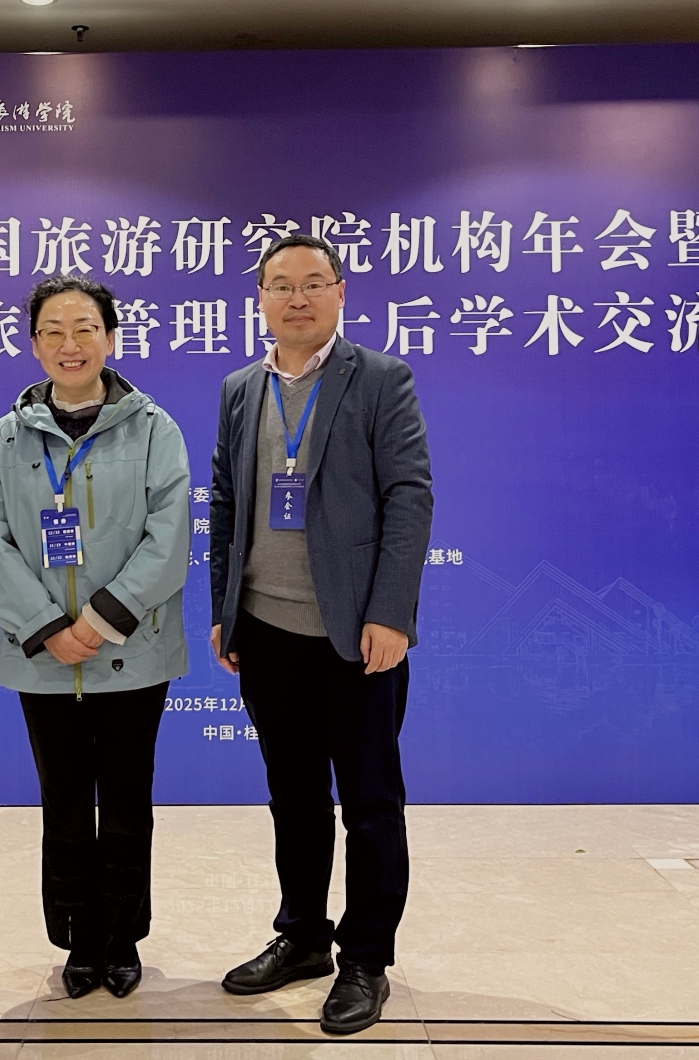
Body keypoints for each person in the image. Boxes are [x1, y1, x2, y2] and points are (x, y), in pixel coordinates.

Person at [208, 234, 433, 1035]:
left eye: (312, 283)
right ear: (261, 299)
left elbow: (409, 496)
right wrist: (224, 608)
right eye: (280, 285)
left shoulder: (379, 378)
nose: (296, 298)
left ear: (340, 292)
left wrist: (391, 613)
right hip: (267, 630)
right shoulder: (242, 387)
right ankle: (302, 937)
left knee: (370, 802)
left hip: (356, 634)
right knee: (294, 798)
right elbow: (226, 501)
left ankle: (365, 958)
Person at [0, 274, 191, 1000]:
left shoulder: (153, 428)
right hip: (42, 657)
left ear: (111, 339)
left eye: (85, 328)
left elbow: (170, 535)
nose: (70, 344)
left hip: (131, 651)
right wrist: (45, 628)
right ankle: (78, 939)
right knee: (62, 803)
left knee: (126, 802)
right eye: (53, 331)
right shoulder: (5, 438)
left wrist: (98, 620)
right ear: (34, 345)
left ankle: (121, 937)